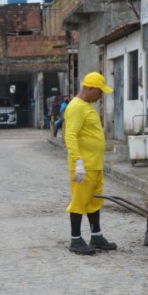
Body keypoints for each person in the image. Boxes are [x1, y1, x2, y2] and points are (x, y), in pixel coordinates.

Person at [62, 71, 118, 255]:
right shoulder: (76, 107)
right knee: (79, 201)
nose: (101, 95)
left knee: (94, 201)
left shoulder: (87, 106)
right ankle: (76, 240)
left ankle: (96, 236)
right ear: (90, 88)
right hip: (83, 165)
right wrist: (78, 161)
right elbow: (70, 135)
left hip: (94, 164)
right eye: (99, 91)